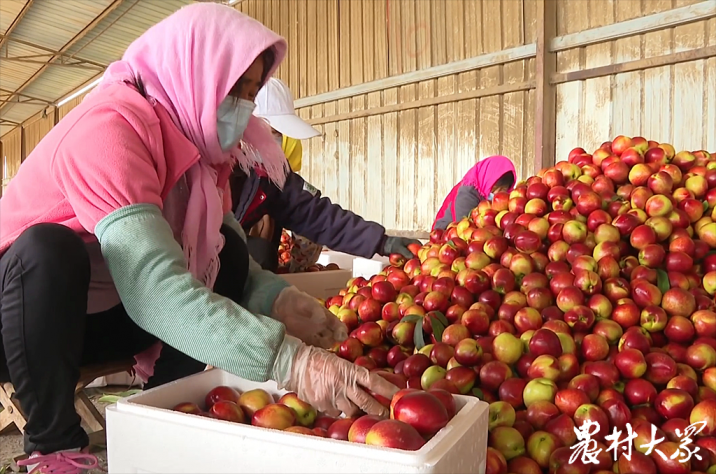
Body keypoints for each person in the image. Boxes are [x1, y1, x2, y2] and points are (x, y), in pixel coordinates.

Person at [0, 5, 398, 473]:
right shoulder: (108, 131)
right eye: (234, 91)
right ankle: (53, 447)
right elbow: (153, 287)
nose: (243, 108)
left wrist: (279, 299)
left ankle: (161, 414)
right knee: (48, 250)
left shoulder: (201, 157)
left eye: (252, 93)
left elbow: (224, 255)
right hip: (24, 327)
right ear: (194, 73)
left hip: (96, 321)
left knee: (228, 256)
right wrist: (290, 361)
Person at [230, 77, 421, 273]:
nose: (276, 142)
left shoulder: (272, 172)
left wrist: (382, 242)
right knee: (255, 253)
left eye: (280, 134)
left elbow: (316, 213)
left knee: (261, 255)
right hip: (205, 275)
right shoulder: (212, 168)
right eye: (273, 132)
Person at [433, 156, 516, 231]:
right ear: (487, 180)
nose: (497, 193)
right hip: (445, 234)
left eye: (503, 189)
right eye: (494, 187)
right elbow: (464, 228)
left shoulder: (503, 199)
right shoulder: (467, 194)